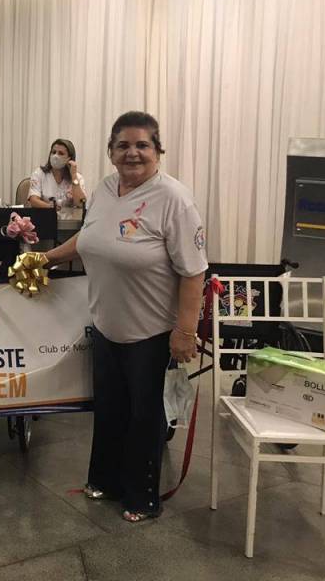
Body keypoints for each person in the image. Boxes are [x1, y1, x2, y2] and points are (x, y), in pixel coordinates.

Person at [43, 111, 206, 522]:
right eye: (123, 145)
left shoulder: (175, 199)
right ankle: (105, 481)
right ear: (111, 152)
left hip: (151, 333)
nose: (132, 153)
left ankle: (142, 498)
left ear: (157, 151)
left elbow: (193, 272)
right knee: (110, 410)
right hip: (106, 325)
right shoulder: (104, 188)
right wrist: (47, 258)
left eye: (142, 145)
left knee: (144, 418)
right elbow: (89, 237)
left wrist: (185, 331)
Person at [26, 138, 86, 209]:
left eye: (61, 153)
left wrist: (74, 176)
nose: (55, 156)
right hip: (45, 214)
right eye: (53, 152)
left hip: (69, 216)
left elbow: (80, 203)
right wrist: (52, 208)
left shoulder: (77, 177)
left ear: (69, 159)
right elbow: (33, 201)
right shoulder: (39, 173)